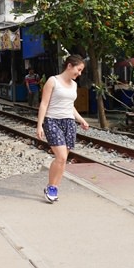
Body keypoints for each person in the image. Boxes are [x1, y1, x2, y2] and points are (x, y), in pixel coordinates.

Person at [36, 55, 89, 203]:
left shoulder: (74, 85)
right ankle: (51, 188)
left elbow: (70, 106)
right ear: (69, 66)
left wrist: (81, 120)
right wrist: (39, 125)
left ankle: (54, 187)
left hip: (69, 123)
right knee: (61, 157)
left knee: (63, 160)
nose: (79, 74)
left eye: (81, 71)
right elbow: (44, 104)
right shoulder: (53, 81)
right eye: (78, 70)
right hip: (52, 121)